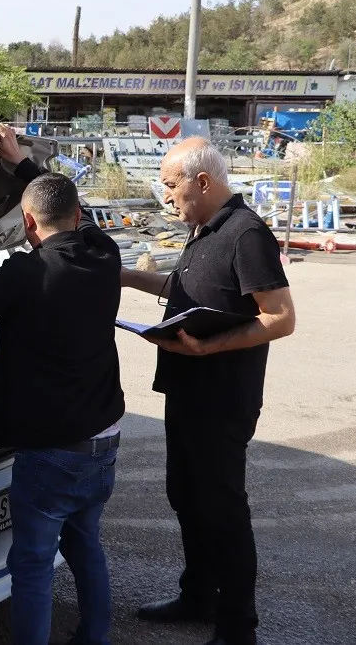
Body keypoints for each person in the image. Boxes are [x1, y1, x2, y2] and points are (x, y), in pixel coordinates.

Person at [0, 124, 126, 645]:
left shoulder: (23, 274)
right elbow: (67, 206)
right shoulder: (105, 253)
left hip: (51, 450)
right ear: (77, 217)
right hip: (104, 437)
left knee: (31, 565)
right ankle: (94, 635)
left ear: (28, 224)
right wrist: (22, 165)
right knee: (85, 545)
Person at [123, 137, 296, 645]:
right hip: (186, 392)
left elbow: (280, 318)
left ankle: (238, 626)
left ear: (202, 181)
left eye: (171, 185)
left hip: (222, 399)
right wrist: (128, 278)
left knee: (222, 510)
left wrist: (208, 349)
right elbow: (185, 289)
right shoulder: (202, 229)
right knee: (186, 497)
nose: (166, 195)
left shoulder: (247, 234)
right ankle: (197, 595)